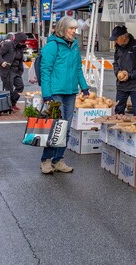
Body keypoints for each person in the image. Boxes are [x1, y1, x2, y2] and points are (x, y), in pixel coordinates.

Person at [39, 16, 90, 175]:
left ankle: (58, 160)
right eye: (72, 29)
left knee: (66, 128)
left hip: (70, 92)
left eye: (75, 29)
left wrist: (84, 87)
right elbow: (45, 71)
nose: (75, 32)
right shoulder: (52, 46)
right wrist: (47, 94)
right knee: (55, 127)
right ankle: (46, 160)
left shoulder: (74, 45)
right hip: (55, 93)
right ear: (63, 29)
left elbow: (78, 69)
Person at [111, 25, 136, 116]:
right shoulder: (118, 47)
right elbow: (115, 63)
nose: (115, 41)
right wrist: (117, 73)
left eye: (116, 39)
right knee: (118, 112)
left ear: (124, 37)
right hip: (121, 86)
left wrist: (130, 75)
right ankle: (118, 130)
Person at [0, 32, 27, 110]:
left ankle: (12, 102)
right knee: (9, 89)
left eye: (23, 42)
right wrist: (2, 62)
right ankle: (8, 105)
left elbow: (20, 59)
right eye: (21, 41)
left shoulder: (21, 47)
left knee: (20, 86)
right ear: (17, 40)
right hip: (6, 69)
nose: (22, 43)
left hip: (16, 71)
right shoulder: (8, 45)